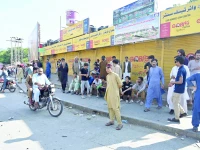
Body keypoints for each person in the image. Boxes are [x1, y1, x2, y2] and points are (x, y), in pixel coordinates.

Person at [104, 64, 123, 130]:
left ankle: (120, 123)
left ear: (110, 68)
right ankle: (111, 121)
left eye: (107, 68)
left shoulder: (116, 75)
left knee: (116, 109)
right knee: (110, 108)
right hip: (109, 94)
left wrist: (115, 89)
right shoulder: (107, 76)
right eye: (106, 69)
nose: (106, 70)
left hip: (114, 94)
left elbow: (120, 84)